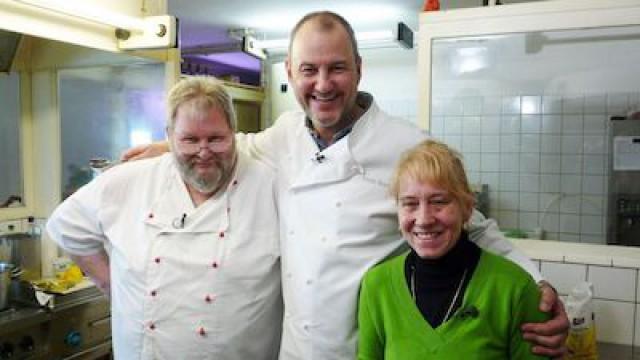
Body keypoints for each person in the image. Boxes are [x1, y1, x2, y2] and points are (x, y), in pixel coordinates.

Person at [121, 11, 568, 359]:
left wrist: (539, 285)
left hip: (367, 349)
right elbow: (233, 143)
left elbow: (477, 228)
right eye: (308, 70)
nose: (322, 84)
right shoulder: (283, 136)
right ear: (291, 75)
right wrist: (170, 146)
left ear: (359, 68)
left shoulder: (406, 143)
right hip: (292, 350)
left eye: (336, 68)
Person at [46, 77, 282, 359]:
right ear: (169, 137)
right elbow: (66, 225)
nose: (203, 153)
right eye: (190, 140)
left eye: (216, 138)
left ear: (234, 133)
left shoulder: (269, 186)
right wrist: (110, 284)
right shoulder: (132, 180)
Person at [358, 140, 550, 359]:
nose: (424, 219)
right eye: (410, 203)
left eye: (439, 201)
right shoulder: (377, 286)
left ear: (467, 208)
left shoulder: (514, 288)